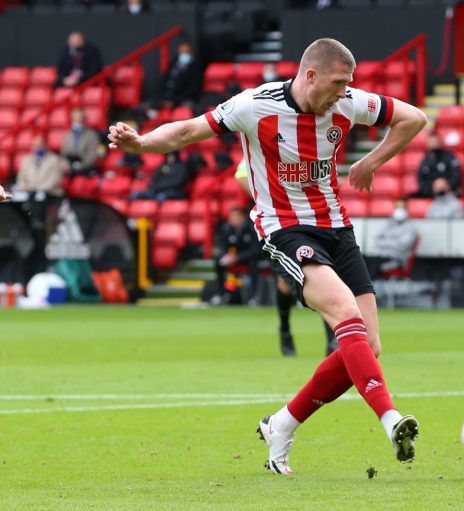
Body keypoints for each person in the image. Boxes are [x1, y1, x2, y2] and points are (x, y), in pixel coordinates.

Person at [109, 38, 426, 475]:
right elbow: (186, 131)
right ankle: (391, 420)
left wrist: (371, 161)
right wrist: (141, 143)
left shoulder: (349, 102)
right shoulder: (255, 105)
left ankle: (282, 423)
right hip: (285, 228)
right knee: (344, 312)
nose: (343, 92)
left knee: (368, 346)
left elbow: (414, 118)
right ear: (309, 75)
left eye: (347, 84)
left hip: (337, 227)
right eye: (337, 83)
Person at [234, 159, 338, 357]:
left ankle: (331, 338)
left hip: (315, 218)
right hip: (282, 223)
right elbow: (240, 175)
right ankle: (285, 328)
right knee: (286, 282)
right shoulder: (267, 142)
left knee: (324, 275)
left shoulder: (310, 144)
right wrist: (268, 197)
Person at [367, 198, 418, 277]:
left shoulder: (410, 227)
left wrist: (386, 242)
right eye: (397, 207)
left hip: (397, 260)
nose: (399, 210)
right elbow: (377, 240)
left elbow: (403, 246)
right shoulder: (389, 223)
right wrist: (394, 242)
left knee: (374, 265)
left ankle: (369, 288)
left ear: (406, 209)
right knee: (364, 261)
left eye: (402, 208)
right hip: (382, 256)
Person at [409, 132, 462, 198]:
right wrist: (431, 187)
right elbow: (420, 178)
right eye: (431, 142)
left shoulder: (449, 157)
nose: (433, 144)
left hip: (448, 192)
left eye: (435, 141)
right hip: (430, 193)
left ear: (440, 142)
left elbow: (456, 175)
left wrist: (446, 184)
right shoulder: (425, 159)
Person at [159, 42, 203, 108]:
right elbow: (163, 82)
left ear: (191, 53)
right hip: (168, 98)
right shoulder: (173, 65)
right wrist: (165, 98)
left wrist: (176, 101)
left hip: (184, 99)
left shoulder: (195, 67)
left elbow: (194, 88)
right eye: (182, 52)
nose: (184, 54)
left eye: (186, 52)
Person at [61, 108, 100, 176]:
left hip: (84, 167)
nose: (77, 120)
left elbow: (93, 155)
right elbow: (63, 154)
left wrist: (81, 165)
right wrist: (65, 165)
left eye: (79, 118)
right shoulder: (68, 134)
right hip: (69, 166)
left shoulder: (91, 134)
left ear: (84, 119)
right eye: (75, 118)